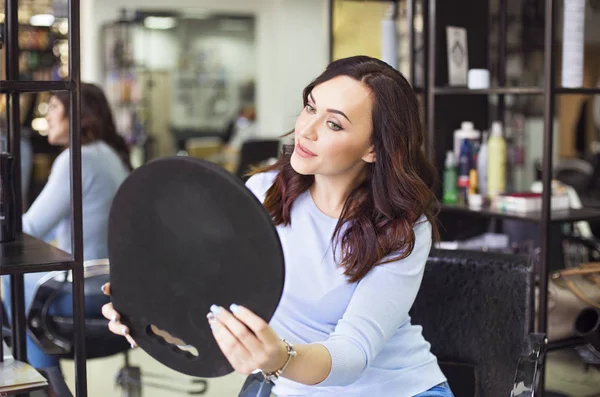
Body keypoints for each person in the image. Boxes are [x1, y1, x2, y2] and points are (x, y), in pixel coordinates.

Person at [102, 56, 453, 396]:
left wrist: (279, 359)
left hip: (398, 389)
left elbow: (354, 351)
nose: (307, 129)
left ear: (374, 148)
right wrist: (149, 317)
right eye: (311, 107)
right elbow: (214, 307)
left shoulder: (403, 228)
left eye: (334, 124)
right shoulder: (263, 195)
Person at [2, 83, 131, 371]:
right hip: (112, 285)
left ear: (79, 115)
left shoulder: (76, 159)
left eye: (55, 107)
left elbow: (30, 226)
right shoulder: (107, 154)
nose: (47, 116)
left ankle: (44, 383)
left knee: (11, 281)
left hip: (85, 292)